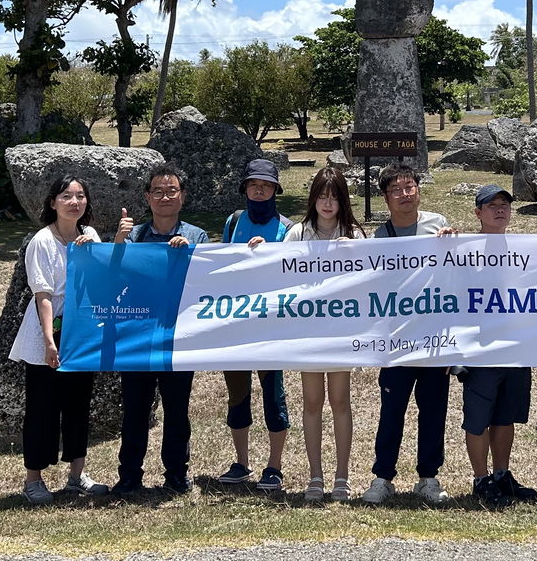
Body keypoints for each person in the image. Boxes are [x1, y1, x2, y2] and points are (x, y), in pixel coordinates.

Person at [361, 163, 458, 506]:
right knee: (392, 411)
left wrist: (452, 245)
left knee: (433, 410)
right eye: (396, 190)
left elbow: (455, 281)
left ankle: (428, 478)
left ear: (418, 189)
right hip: (396, 342)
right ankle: (382, 477)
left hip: (434, 339)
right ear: (385, 197)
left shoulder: (439, 225)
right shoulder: (380, 238)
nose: (404, 194)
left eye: (409, 187)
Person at [7, 174, 106, 505]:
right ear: (52, 202)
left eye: (80, 196)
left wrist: (98, 251)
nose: (74, 202)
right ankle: (33, 479)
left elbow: (102, 278)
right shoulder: (42, 242)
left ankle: (77, 474)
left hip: (82, 331)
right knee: (42, 408)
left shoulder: (89, 235)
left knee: (79, 403)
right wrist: (50, 341)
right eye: (66, 196)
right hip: (48, 330)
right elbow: (43, 296)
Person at [110, 164, 208, 496]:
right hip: (136, 336)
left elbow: (207, 285)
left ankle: (177, 473)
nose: (165, 197)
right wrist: (118, 243)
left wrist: (190, 256)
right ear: (147, 197)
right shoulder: (133, 236)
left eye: (172, 191)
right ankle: (129, 474)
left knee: (177, 410)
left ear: (183, 196)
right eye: (158, 191)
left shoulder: (197, 236)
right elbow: (109, 278)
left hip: (178, 337)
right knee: (135, 409)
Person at [283, 166, 366, 502]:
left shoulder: (354, 234)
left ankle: (342, 476)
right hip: (309, 330)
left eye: (334, 196)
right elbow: (276, 269)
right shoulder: (298, 233)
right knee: (312, 402)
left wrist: (356, 255)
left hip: (342, 330)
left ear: (342, 199)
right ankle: (315, 476)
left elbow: (372, 279)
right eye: (322, 195)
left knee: (340, 401)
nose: (327, 202)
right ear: (313, 198)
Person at [217, 158, 294, 491]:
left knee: (273, 395)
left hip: (272, 325)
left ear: (275, 190)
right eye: (253, 185)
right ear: (245, 189)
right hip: (235, 323)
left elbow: (295, 272)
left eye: (265, 185)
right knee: (237, 395)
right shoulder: (233, 222)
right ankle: (242, 462)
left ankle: (274, 466)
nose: (259, 190)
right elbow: (218, 266)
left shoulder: (288, 229)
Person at [461, 184, 537, 508]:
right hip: (480, 351)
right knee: (478, 419)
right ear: (478, 213)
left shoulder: (528, 251)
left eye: (504, 204)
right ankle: (481, 479)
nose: (499, 209)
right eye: (491, 205)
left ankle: (501, 474)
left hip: (516, 349)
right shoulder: (462, 251)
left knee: (505, 418)